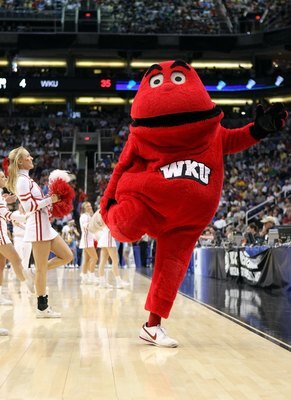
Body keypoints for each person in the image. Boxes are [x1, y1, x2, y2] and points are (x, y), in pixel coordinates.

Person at [99, 60, 287, 347]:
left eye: (177, 78)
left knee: (171, 269)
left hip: (187, 221)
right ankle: (121, 223)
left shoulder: (212, 133)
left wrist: (258, 130)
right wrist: (106, 206)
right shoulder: (140, 136)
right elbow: (121, 167)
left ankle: (152, 326)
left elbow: (236, 139)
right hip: (148, 202)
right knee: (127, 222)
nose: (167, 88)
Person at [7, 147, 73, 318]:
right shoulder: (21, 181)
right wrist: (50, 200)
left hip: (44, 225)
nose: (31, 157)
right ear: (20, 161)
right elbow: (29, 207)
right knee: (42, 269)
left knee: (67, 256)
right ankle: (42, 308)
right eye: (27, 156)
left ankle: (32, 273)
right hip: (37, 227)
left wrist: (51, 204)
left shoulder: (28, 179)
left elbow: (37, 203)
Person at [0, 169, 34, 302]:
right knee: (16, 260)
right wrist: (27, 217)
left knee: (1, 265)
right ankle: (29, 284)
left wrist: (5, 200)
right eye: (2, 177)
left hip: (3, 233)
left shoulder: (1, 194)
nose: (5, 179)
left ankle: (1, 294)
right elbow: (7, 215)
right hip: (1, 235)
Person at [79, 201, 98, 284]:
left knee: (86, 260)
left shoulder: (88, 216)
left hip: (89, 239)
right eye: (87, 206)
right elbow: (85, 226)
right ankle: (91, 276)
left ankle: (84, 276)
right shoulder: (84, 216)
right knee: (95, 258)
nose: (90, 207)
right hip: (86, 240)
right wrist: (95, 225)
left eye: (90, 205)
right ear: (84, 208)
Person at [12, 202, 32, 271]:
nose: (22, 207)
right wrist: (24, 225)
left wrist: (20, 225)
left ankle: (25, 273)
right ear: (19, 205)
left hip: (28, 238)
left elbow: (29, 228)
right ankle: (17, 272)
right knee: (18, 256)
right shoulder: (15, 213)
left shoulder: (29, 214)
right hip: (18, 238)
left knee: (26, 257)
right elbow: (15, 223)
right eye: (21, 205)